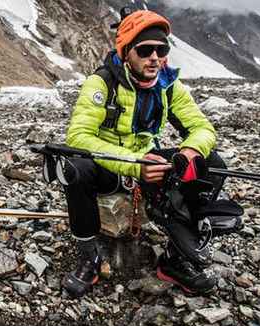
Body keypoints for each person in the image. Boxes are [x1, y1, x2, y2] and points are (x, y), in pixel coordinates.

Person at [61, 8, 229, 297]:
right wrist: (133, 164)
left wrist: (190, 151)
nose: (155, 57)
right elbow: (78, 137)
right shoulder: (101, 83)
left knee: (211, 164)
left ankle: (174, 259)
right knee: (76, 168)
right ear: (126, 51)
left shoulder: (168, 85)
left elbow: (203, 128)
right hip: (114, 167)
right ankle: (90, 255)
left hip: (150, 163)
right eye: (145, 50)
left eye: (161, 49)